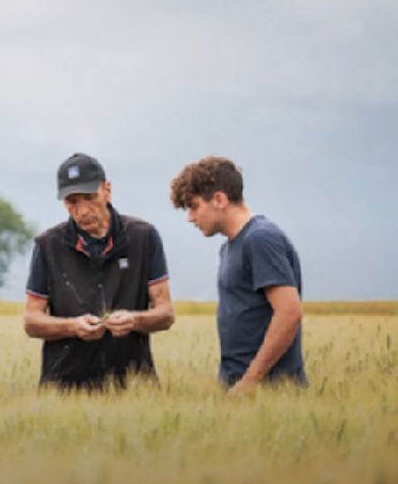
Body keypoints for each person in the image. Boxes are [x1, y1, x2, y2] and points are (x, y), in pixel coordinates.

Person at [23, 152, 175, 390]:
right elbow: (31, 321)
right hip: (63, 388)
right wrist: (72, 326)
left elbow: (166, 314)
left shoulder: (143, 237)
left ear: (107, 190)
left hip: (134, 386)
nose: (82, 211)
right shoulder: (47, 245)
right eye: (72, 202)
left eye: (90, 197)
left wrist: (133, 320)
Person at [169, 156, 306, 395]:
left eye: (194, 206)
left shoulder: (260, 238)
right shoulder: (230, 247)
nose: (190, 218)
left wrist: (251, 380)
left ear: (219, 199)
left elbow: (289, 312)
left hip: (271, 393)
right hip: (240, 392)